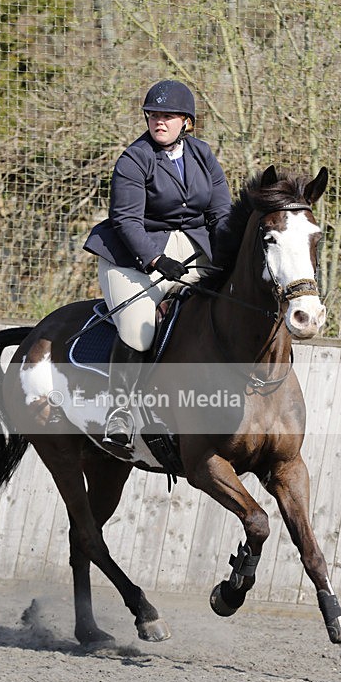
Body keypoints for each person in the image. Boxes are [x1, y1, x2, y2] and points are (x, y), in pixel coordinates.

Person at [83, 79, 232, 449]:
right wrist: (154, 258)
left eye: (167, 116)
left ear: (187, 122)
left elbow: (221, 213)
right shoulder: (134, 159)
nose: (158, 122)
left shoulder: (203, 154)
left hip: (193, 249)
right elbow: (126, 220)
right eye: (153, 115)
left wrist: (230, 255)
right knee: (140, 330)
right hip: (132, 257)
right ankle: (119, 412)